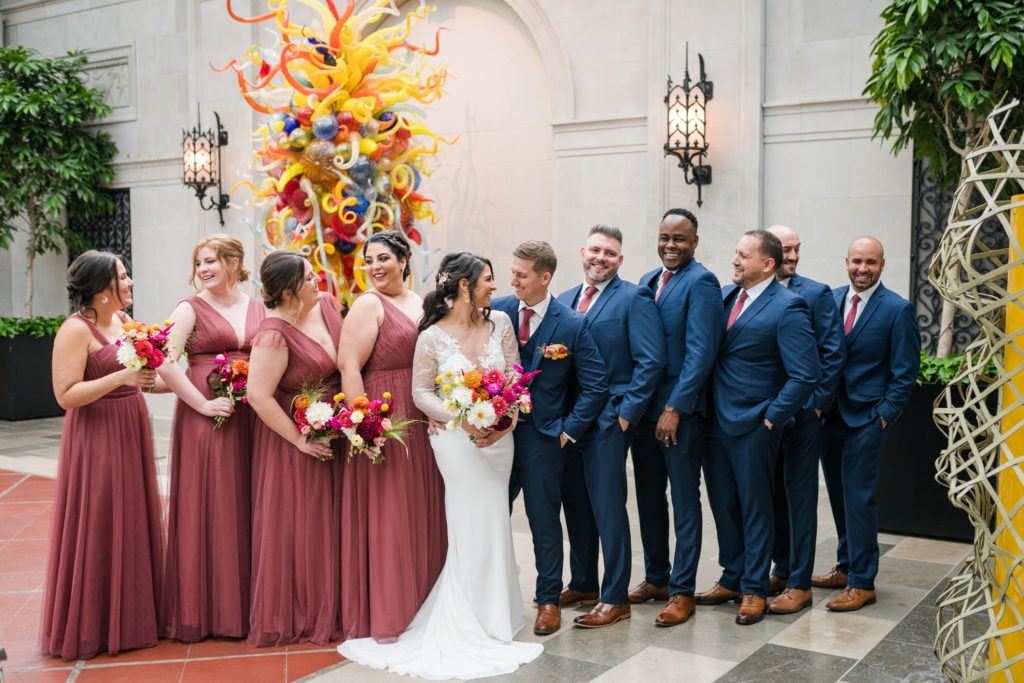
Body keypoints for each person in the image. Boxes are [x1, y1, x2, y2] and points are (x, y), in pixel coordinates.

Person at [338, 252, 543, 679]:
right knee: (467, 520)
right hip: (454, 441)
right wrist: (460, 418)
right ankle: (470, 614)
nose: (494, 286)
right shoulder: (431, 336)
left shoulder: (501, 323)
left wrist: (505, 421)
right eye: (488, 279)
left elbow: (516, 377)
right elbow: (421, 393)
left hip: (498, 440)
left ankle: (499, 613)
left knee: (495, 517)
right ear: (465, 286)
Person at [41, 250, 164, 659]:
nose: (130, 282)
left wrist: (199, 390)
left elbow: (145, 379)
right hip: (97, 434)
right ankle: (94, 624)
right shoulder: (75, 330)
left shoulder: (124, 321)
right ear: (101, 289)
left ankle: (132, 619)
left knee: (131, 516)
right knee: (100, 518)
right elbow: (65, 395)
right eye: (123, 277)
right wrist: (122, 377)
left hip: (131, 426)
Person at [699, 229, 819, 625]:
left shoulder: (788, 306)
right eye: (735, 253)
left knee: (755, 507)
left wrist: (772, 416)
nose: (734, 260)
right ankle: (732, 576)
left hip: (755, 424)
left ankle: (753, 587)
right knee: (724, 503)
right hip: (716, 421)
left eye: (743, 255)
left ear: (767, 264)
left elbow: (806, 373)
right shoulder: (725, 297)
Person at [492, 241, 607, 636]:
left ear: (545, 277)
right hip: (496, 435)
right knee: (491, 513)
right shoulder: (498, 312)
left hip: (544, 438)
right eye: (513, 272)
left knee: (543, 519)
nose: (513, 280)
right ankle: (492, 593)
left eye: (521, 274)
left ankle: (548, 600)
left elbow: (596, 386)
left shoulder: (571, 323)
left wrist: (567, 431)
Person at [338, 230, 447, 642]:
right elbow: (349, 366)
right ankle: (390, 610)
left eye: (383, 258)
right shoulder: (368, 304)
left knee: (422, 505)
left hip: (420, 415)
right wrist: (366, 427)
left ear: (404, 260)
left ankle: (424, 601)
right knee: (392, 511)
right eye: (369, 261)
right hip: (387, 417)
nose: (375, 267)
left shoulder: (419, 301)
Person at [556, 224, 664, 629]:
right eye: (595, 250)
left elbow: (651, 360)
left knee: (607, 507)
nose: (601, 258)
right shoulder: (565, 299)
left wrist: (625, 414)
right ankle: (583, 582)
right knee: (576, 504)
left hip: (608, 420)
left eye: (610, 253)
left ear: (620, 260)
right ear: (582, 252)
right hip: (570, 421)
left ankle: (615, 596)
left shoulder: (634, 297)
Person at [157, 234, 265, 641]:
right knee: (215, 503)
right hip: (208, 416)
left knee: (248, 501)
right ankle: (212, 610)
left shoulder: (257, 306)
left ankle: (250, 603)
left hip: (251, 415)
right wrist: (202, 405)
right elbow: (165, 363)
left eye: (210, 261)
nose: (202, 269)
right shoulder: (189, 308)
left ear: (234, 263)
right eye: (198, 263)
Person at [814, 236, 919, 611]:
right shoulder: (829, 299)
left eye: (871, 262)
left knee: (859, 498)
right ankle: (845, 567)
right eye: (857, 261)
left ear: (882, 265)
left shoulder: (898, 309)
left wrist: (884, 416)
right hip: (829, 417)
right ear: (846, 262)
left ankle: (862, 582)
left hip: (867, 419)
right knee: (839, 496)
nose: (863, 268)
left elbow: (905, 373)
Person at [629, 208, 723, 627]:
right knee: (649, 498)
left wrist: (675, 408)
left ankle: (682, 590)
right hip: (644, 412)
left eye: (680, 238)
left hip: (679, 415)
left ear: (695, 242)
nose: (671, 245)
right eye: (665, 237)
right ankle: (657, 578)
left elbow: (702, 352)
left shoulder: (702, 282)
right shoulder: (648, 280)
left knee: (684, 500)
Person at [247, 251, 343, 646]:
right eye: (308, 277)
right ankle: (310, 608)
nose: (317, 280)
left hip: (337, 428)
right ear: (288, 292)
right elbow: (258, 395)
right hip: (295, 439)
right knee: (306, 525)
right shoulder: (274, 334)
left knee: (335, 520)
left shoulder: (328, 306)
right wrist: (300, 440)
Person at [762, 225, 844, 615]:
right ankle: (781, 568)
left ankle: (800, 583)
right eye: (786, 249)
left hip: (803, 416)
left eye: (797, 249)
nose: (793, 256)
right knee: (773, 495)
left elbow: (832, 353)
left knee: (800, 498)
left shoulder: (816, 293)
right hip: (765, 415)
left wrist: (815, 407)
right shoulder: (754, 293)